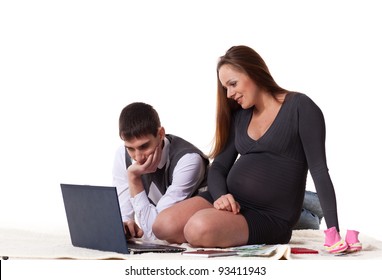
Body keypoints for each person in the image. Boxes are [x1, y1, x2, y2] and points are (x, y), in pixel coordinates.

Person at [153, 45, 356, 253]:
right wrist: (221, 195)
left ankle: (308, 217)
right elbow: (219, 167)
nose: (229, 94)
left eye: (232, 84)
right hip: (232, 202)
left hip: (269, 216)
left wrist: (334, 232)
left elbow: (320, 171)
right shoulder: (241, 116)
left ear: (253, 71)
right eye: (226, 88)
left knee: (197, 229)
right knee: (162, 225)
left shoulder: (300, 108)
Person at [112, 102, 209, 240]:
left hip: (200, 227)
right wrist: (126, 225)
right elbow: (123, 214)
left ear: (161, 134)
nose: (138, 157)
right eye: (130, 148)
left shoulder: (188, 160)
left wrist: (134, 179)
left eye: (144, 146)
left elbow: (155, 232)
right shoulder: (122, 155)